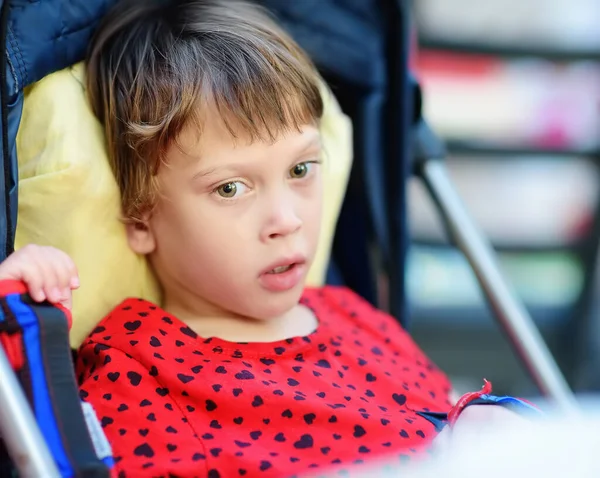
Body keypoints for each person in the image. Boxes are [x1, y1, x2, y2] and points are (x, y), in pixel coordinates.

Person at [0, 0, 537, 476]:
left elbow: (440, 413)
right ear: (141, 220)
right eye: (231, 188)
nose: (287, 219)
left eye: (302, 170)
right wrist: (25, 319)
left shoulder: (355, 316)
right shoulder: (136, 364)